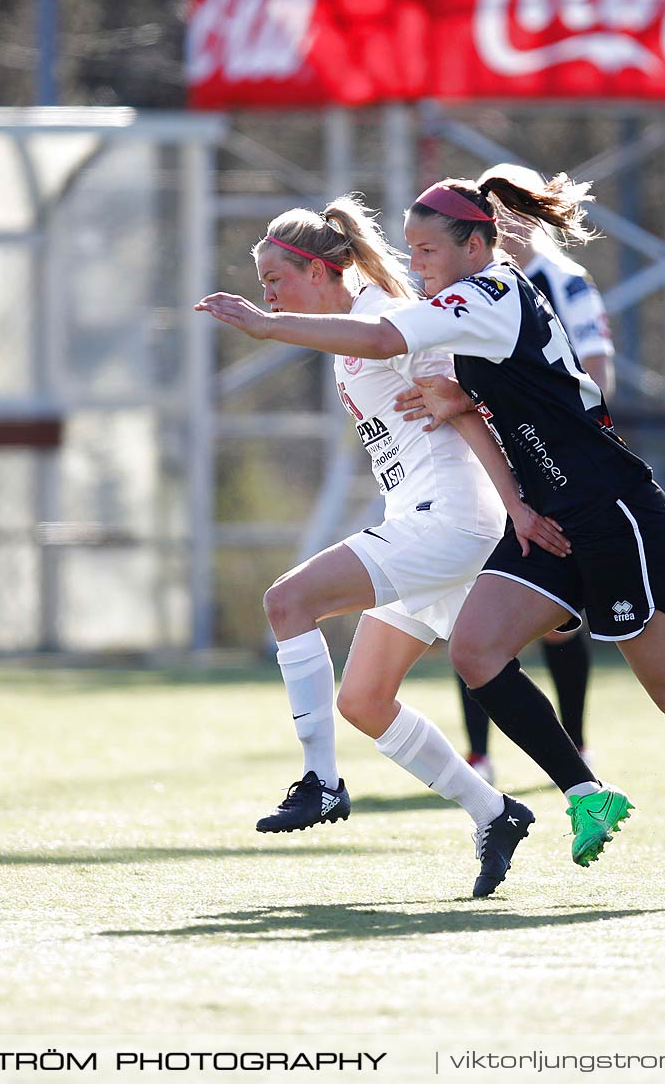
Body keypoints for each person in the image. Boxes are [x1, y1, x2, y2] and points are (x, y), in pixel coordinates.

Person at [198, 170, 665, 902]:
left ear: (476, 243)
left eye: (428, 251)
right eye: (410, 251)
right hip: (547, 519)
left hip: (613, 509)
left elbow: (386, 335)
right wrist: (467, 407)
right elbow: (480, 374)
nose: (416, 265)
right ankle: (580, 793)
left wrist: (265, 326)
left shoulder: (489, 291)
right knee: (477, 652)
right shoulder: (470, 301)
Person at [233, 196, 569, 898]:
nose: (267, 293)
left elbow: (467, 400)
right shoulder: (354, 323)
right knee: (365, 699)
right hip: (434, 517)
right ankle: (495, 812)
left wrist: (514, 505)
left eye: (276, 278)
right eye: (262, 284)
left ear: (323, 272)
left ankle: (321, 782)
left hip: (447, 517)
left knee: (287, 602)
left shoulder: (382, 314)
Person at [456, 162, 617, 785]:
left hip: (555, 469)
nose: (498, 228)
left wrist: (574, 443)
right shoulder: (470, 285)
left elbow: (597, 368)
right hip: (490, 466)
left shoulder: (564, 281)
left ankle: (574, 745)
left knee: (554, 618)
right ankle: (478, 752)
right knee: (478, 609)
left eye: (506, 214)